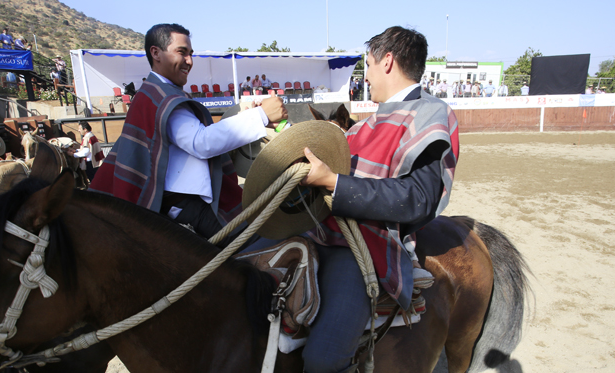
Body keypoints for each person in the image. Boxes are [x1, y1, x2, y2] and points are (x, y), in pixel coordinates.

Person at [296, 25, 459, 373]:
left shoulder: (431, 115)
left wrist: (333, 182)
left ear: (387, 62)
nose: (365, 75)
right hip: (317, 228)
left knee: (323, 361)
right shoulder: (362, 125)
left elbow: (418, 199)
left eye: (367, 65)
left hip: (363, 246)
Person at [89, 23, 287, 245]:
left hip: (188, 201)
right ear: (156, 53)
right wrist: (261, 115)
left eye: (191, 54)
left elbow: (197, 137)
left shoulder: (156, 94)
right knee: (257, 241)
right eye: (182, 52)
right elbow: (200, 143)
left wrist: (249, 117)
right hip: (185, 205)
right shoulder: (161, 96)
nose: (190, 61)